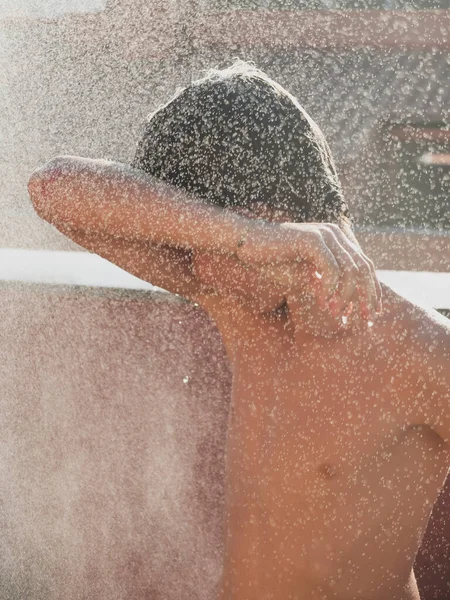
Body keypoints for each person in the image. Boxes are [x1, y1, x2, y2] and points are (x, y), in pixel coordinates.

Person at [28, 60, 449, 600]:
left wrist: (247, 239)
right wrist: (241, 238)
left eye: (213, 248)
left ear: (280, 212)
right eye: (206, 241)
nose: (196, 268)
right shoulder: (240, 302)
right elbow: (53, 188)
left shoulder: (420, 353)